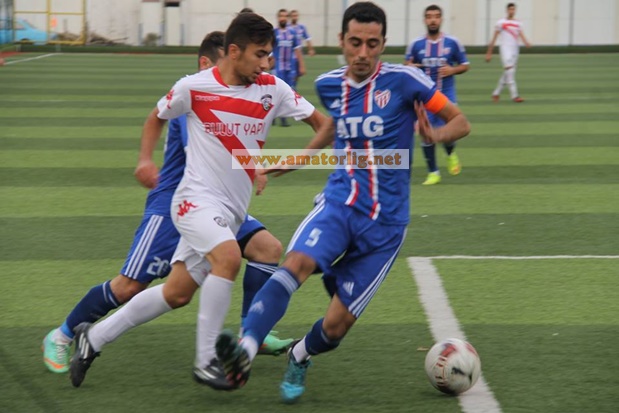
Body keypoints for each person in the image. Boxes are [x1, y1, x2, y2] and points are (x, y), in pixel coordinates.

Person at [214, 1, 471, 403]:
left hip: (386, 224)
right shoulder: (329, 84)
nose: (363, 53)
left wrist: (434, 135)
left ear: (383, 44)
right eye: (355, 43)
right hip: (339, 203)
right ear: (341, 41)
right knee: (296, 264)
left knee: (335, 327)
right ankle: (244, 352)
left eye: (372, 44)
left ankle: (300, 354)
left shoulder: (406, 81)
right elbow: (334, 125)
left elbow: (460, 121)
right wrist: (299, 158)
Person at [68, 13, 327, 390]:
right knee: (229, 258)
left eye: (269, 54)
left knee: (176, 294)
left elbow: (324, 125)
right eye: (260, 54)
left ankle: (93, 338)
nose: (267, 63)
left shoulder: (274, 89)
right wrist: (145, 160)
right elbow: (156, 117)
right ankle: (207, 361)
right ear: (234, 51)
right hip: (193, 203)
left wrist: (292, 162)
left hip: (232, 212)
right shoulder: (194, 87)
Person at [405, 4, 469, 185]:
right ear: (425, 20)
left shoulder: (452, 42)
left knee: (448, 133)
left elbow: (465, 65)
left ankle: (450, 153)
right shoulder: (416, 44)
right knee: (425, 131)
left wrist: (452, 70)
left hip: (446, 95)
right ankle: (433, 172)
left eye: (436, 16)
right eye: (429, 16)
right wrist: (410, 66)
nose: (433, 20)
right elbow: (407, 64)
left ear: (441, 19)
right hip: (424, 97)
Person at [485, 2, 531, 103]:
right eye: (510, 9)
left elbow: (521, 34)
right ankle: (515, 96)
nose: (512, 11)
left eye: (513, 9)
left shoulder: (518, 23)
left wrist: (526, 42)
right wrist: (489, 52)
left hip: (515, 50)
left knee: (509, 72)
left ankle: (496, 93)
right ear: (507, 10)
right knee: (510, 71)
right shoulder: (501, 23)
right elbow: (494, 37)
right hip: (505, 49)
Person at [273, 8, 305, 126]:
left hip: (290, 68)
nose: (283, 18)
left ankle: (281, 115)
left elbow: (297, 50)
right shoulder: (274, 32)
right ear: (278, 18)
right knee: (277, 92)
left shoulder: (292, 32)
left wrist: (301, 66)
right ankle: (278, 117)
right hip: (278, 67)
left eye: (285, 16)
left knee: (289, 91)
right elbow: (269, 49)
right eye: (281, 16)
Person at [289, 9, 315, 84]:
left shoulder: (301, 27)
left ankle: (294, 86)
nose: (295, 17)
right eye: (293, 16)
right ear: (290, 17)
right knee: (291, 73)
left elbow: (308, 38)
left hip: (299, 54)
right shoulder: (287, 27)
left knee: (298, 73)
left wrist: (311, 49)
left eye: (296, 16)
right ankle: (291, 86)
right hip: (290, 55)